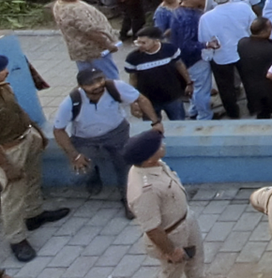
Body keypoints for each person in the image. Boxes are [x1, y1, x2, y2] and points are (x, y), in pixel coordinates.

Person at [0, 55, 70, 262]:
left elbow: (19, 111)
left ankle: (34, 214)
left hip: (27, 138)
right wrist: (7, 167)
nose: (6, 71)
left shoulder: (4, 88)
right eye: (1, 70)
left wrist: (38, 133)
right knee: (13, 194)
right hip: (9, 151)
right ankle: (16, 239)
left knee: (33, 178)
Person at [52, 68, 160, 219]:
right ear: (81, 86)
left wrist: (156, 122)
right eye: (91, 84)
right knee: (82, 170)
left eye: (100, 80)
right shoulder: (71, 102)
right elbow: (58, 130)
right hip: (85, 139)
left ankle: (128, 200)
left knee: (125, 167)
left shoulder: (116, 87)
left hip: (117, 133)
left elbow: (141, 99)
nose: (98, 85)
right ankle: (93, 174)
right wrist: (74, 155)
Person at [124, 130, 205, 278]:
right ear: (148, 159)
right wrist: (171, 251)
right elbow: (152, 229)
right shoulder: (145, 191)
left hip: (186, 219)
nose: (163, 146)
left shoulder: (155, 165)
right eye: (159, 146)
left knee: (196, 263)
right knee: (173, 272)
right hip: (172, 234)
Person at [197, 0, 255, 119]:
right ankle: (253, 107)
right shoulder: (243, 7)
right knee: (249, 81)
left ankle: (233, 113)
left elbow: (204, 39)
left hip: (221, 55)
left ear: (214, 0)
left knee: (225, 87)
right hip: (244, 51)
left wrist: (208, 55)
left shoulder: (206, 18)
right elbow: (253, 26)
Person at [52, 0, 121, 79]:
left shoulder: (59, 4)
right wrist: (108, 45)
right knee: (110, 77)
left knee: (88, 78)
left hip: (79, 51)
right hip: (96, 50)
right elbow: (91, 31)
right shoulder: (75, 9)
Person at [126, 26, 191, 121]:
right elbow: (133, 78)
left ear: (156, 41)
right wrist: (134, 99)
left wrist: (189, 83)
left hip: (173, 97)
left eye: (143, 42)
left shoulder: (170, 50)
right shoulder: (133, 58)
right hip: (148, 100)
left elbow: (180, 65)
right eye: (138, 42)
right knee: (152, 128)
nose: (140, 45)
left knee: (179, 123)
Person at [237, 18, 272, 118]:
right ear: (264, 31)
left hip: (252, 90)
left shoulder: (242, 43)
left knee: (262, 115)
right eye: (270, 27)